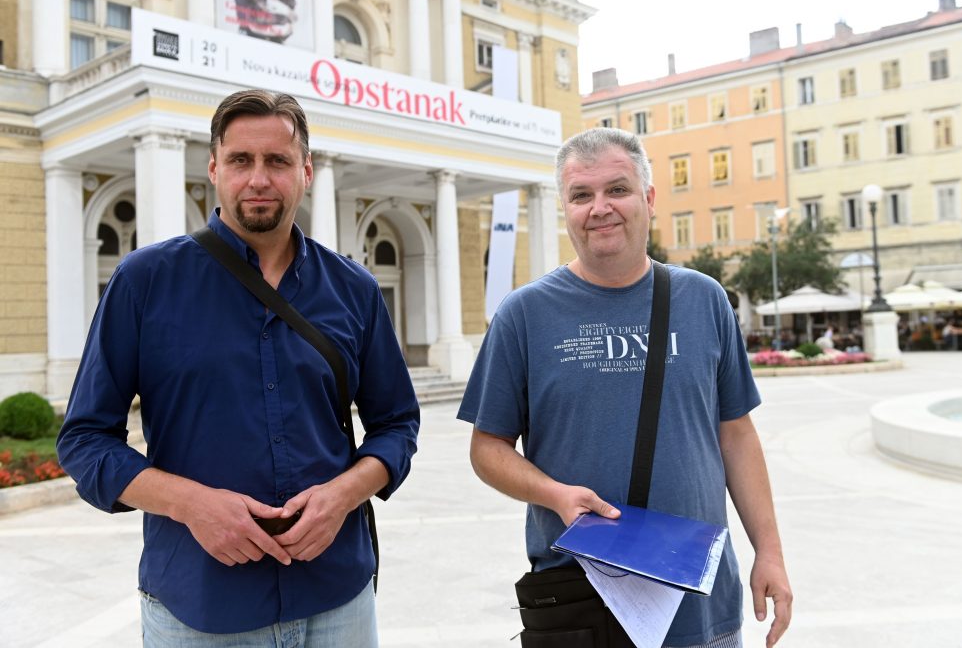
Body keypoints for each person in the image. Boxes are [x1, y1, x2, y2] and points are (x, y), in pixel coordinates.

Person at [57, 89, 419, 646]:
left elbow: (397, 424)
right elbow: (84, 441)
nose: (258, 179)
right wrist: (191, 504)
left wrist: (345, 494)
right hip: (200, 607)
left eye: (277, 161)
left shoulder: (356, 289)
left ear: (306, 172)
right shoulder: (145, 281)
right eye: (240, 160)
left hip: (339, 599)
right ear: (213, 169)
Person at [457, 127, 792, 648]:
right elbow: (487, 448)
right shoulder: (524, 314)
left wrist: (768, 550)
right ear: (564, 209)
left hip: (700, 605)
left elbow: (736, 436)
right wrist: (555, 495)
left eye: (617, 189)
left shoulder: (703, 299)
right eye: (581, 195)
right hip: (581, 605)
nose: (600, 208)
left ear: (649, 199)